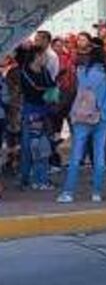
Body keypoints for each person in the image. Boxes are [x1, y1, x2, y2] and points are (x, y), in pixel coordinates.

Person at [58, 43, 106, 204]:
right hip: (103, 118)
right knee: (99, 156)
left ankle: (68, 192)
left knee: (76, 155)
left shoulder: (82, 72)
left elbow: (79, 91)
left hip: (83, 117)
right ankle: (96, 193)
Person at [18, 45, 56, 190]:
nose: (46, 58)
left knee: (41, 146)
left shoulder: (44, 71)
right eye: (44, 56)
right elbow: (34, 89)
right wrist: (49, 91)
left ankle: (38, 178)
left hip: (43, 112)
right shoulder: (25, 73)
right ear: (36, 56)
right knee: (31, 146)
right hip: (32, 112)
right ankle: (31, 178)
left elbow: (51, 86)